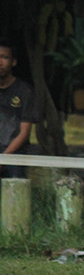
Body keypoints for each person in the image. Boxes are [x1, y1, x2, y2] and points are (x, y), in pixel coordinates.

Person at [0, 42, 40, 179]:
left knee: (16, 184)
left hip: (14, 153)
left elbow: (24, 132)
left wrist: (3, 158)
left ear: (14, 62)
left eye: (4, 57)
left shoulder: (24, 91)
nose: (0, 62)